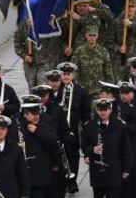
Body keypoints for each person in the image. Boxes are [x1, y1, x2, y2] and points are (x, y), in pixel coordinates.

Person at [81, 98, 131, 198]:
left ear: (110, 110)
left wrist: (126, 169)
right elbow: (84, 145)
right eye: (100, 110)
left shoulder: (120, 126)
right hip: (97, 170)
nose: (103, 112)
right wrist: (91, 150)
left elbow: (126, 149)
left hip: (114, 170)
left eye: (105, 109)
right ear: (97, 110)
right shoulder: (90, 126)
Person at [56, 62, 91, 194]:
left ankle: (72, 182)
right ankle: (60, 181)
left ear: (73, 75)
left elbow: (86, 113)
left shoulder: (80, 91)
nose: (66, 76)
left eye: (68, 74)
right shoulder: (56, 90)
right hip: (57, 130)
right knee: (58, 156)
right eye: (63, 74)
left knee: (72, 156)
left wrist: (87, 130)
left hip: (73, 129)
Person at [19, 101, 60, 198]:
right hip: (25, 174)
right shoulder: (21, 126)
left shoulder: (45, 126)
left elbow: (53, 142)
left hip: (41, 175)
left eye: (27, 114)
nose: (24, 116)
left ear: (35, 115)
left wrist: (37, 131)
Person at [70, 25, 114, 98]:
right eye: (90, 35)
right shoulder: (79, 51)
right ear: (86, 36)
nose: (92, 38)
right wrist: (77, 85)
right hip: (82, 89)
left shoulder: (103, 51)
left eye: (94, 35)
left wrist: (109, 89)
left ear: (97, 36)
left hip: (98, 90)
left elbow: (108, 71)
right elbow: (74, 69)